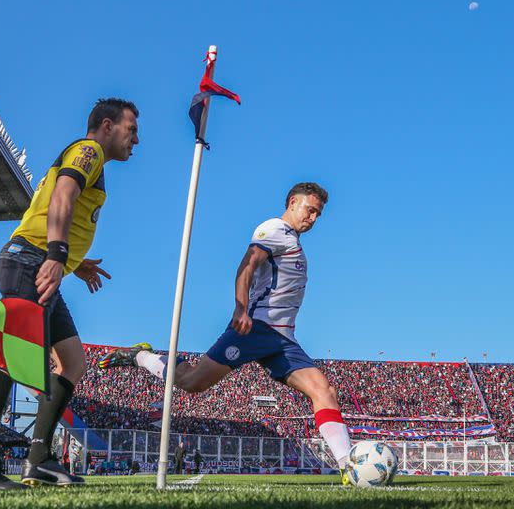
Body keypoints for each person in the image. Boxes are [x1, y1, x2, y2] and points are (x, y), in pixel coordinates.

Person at [100, 183, 353, 484]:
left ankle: (349, 466)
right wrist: (240, 308)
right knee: (193, 382)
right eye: (310, 210)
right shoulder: (274, 229)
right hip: (256, 327)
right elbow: (247, 264)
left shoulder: (293, 242)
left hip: (283, 339)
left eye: (318, 214)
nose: (313, 218)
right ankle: (141, 356)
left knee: (324, 391)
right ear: (292, 202)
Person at [0, 98, 139, 491]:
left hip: (38, 260)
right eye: (132, 129)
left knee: (73, 362)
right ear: (107, 126)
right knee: (15, 356)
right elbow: (62, 198)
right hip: (31, 259)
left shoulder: (91, 160)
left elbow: (62, 208)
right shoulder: (88, 150)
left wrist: (76, 261)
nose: (135, 140)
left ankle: (38, 459)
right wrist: (58, 255)